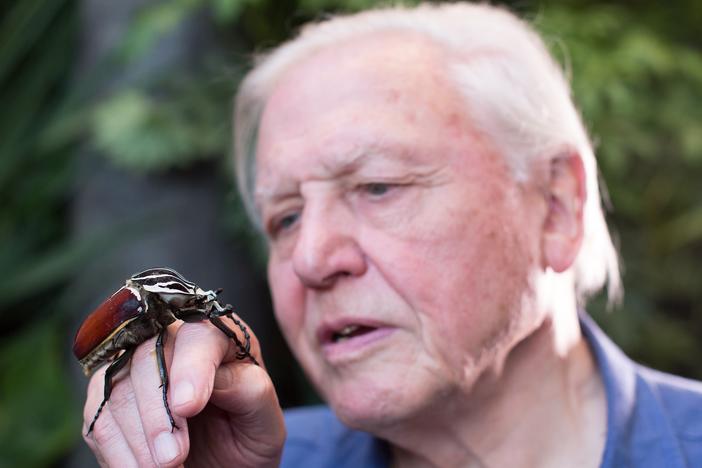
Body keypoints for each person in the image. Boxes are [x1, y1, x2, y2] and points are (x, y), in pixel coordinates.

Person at [81, 3, 702, 467]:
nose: (311, 259)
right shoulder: (245, 458)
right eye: (285, 219)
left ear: (556, 207)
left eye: (378, 187)